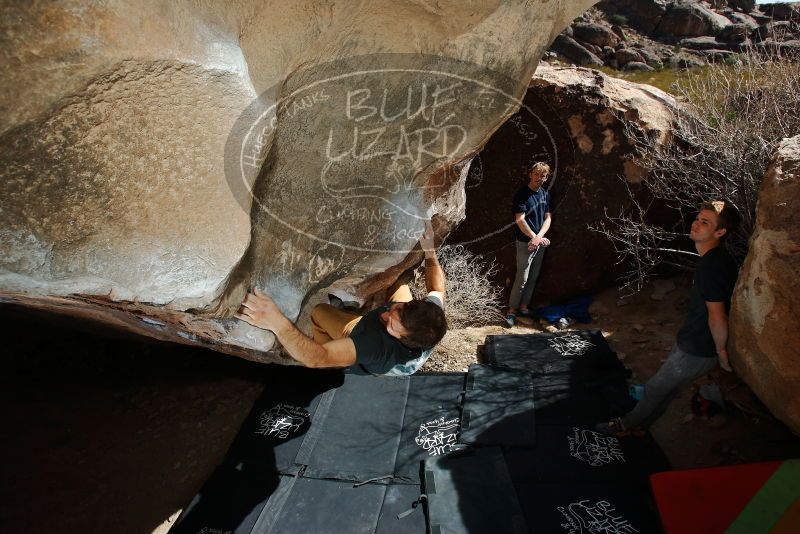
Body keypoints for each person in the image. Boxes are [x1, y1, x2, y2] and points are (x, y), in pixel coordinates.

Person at [597, 200, 741, 437]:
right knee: (667, 390)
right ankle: (641, 426)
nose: (696, 224)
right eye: (697, 218)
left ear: (720, 232)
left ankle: (624, 427)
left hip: (698, 348)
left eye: (705, 222)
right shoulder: (715, 259)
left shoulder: (711, 267)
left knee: (655, 388)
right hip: (692, 340)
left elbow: (717, 316)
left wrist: (722, 354)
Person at [236, 221, 447, 376]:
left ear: (401, 337)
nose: (387, 311)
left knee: (319, 313)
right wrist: (429, 251)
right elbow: (437, 288)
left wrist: (277, 323)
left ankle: (338, 360)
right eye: (400, 307)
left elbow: (317, 358)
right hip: (408, 357)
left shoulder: (374, 345)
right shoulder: (430, 319)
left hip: (367, 353)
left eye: (392, 321)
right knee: (398, 284)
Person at [506, 161, 553, 327]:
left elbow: (548, 218)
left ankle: (524, 307)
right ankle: (512, 311)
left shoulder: (545, 195)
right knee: (522, 278)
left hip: (538, 242)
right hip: (525, 242)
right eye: (536, 174)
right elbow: (519, 219)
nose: (539, 178)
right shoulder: (522, 194)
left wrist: (538, 237)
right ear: (530, 174)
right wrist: (533, 237)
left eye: (543, 175)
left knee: (533, 276)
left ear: (546, 178)